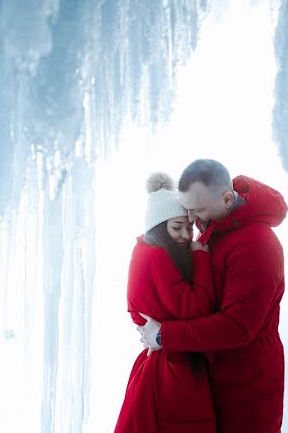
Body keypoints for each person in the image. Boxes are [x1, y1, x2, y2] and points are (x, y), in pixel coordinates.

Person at [138, 159, 287, 433]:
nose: (192, 220)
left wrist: (164, 336)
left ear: (227, 198)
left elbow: (237, 327)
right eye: (187, 211)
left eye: (197, 211)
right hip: (212, 380)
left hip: (246, 387)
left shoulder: (257, 244)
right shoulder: (216, 229)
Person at [114, 172, 217, 433]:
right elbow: (196, 307)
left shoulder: (144, 251)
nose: (185, 235)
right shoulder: (160, 257)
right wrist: (202, 260)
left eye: (188, 227)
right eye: (176, 227)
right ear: (159, 228)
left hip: (158, 364)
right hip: (172, 370)